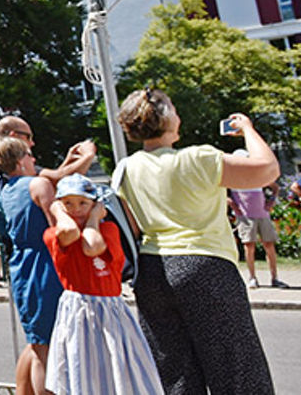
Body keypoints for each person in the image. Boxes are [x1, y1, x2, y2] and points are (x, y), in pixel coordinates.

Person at [112, 88, 277, 395]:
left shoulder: (126, 169)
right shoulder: (198, 158)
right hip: (205, 267)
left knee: (176, 378)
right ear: (163, 118)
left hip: (152, 273)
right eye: (172, 107)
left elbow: (132, 227)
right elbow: (267, 170)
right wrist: (248, 130)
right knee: (237, 373)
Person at [0, 134, 95, 395]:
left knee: (39, 348)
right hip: (46, 265)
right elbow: (58, 228)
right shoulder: (37, 185)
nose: (34, 158)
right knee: (56, 346)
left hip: (22, 267)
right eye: (29, 154)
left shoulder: (7, 190)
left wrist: (70, 162)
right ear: (20, 159)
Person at [42, 174, 163, 395]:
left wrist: (94, 218)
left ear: (96, 205)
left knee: (117, 364)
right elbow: (70, 232)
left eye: (83, 203)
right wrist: (57, 211)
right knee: (83, 368)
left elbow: (92, 246)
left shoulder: (107, 230)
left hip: (109, 308)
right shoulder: (54, 234)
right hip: (79, 310)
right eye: (68, 203)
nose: (76, 209)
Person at [228, 150, 286, 289]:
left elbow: (275, 188)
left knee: (269, 245)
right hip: (245, 218)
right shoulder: (232, 178)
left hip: (263, 215)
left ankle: (275, 278)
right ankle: (252, 278)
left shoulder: (258, 176)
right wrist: (233, 206)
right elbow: (223, 194)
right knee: (249, 246)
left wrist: (271, 201)